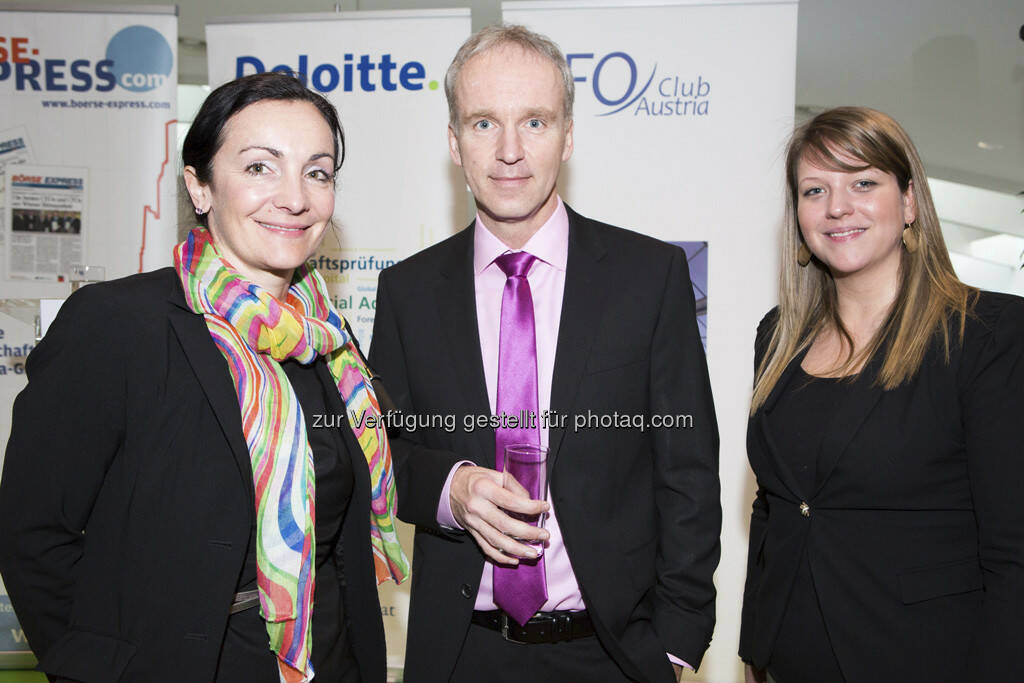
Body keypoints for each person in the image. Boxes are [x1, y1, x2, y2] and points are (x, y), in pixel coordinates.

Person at [0, 72, 408, 683]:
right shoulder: (119, 325)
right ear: (200, 186)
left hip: (329, 659)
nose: (294, 197)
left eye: (317, 172)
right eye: (260, 167)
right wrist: (99, 668)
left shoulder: (329, 342)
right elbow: (34, 534)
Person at [369, 24, 720, 683]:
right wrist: (452, 487)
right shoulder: (408, 291)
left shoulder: (649, 278)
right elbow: (384, 454)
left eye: (534, 121)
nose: (509, 150)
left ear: (568, 134)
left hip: (613, 655)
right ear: (453, 141)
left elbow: (689, 471)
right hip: (458, 655)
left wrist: (675, 644)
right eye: (482, 123)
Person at [739, 106, 1024, 683]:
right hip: (787, 659)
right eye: (814, 189)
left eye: (863, 183)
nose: (837, 207)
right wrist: (756, 645)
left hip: (924, 659)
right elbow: (775, 506)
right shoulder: (778, 335)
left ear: (910, 201)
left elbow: (1014, 552)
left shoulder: (986, 334)